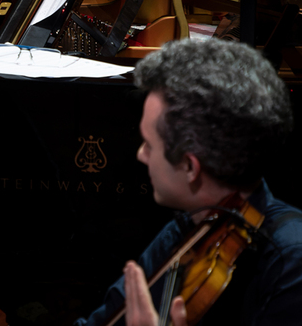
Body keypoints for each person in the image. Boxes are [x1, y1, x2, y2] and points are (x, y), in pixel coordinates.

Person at [77, 39, 302, 326]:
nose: (140, 155)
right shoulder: (194, 224)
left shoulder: (291, 262)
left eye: (148, 144)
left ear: (189, 166)